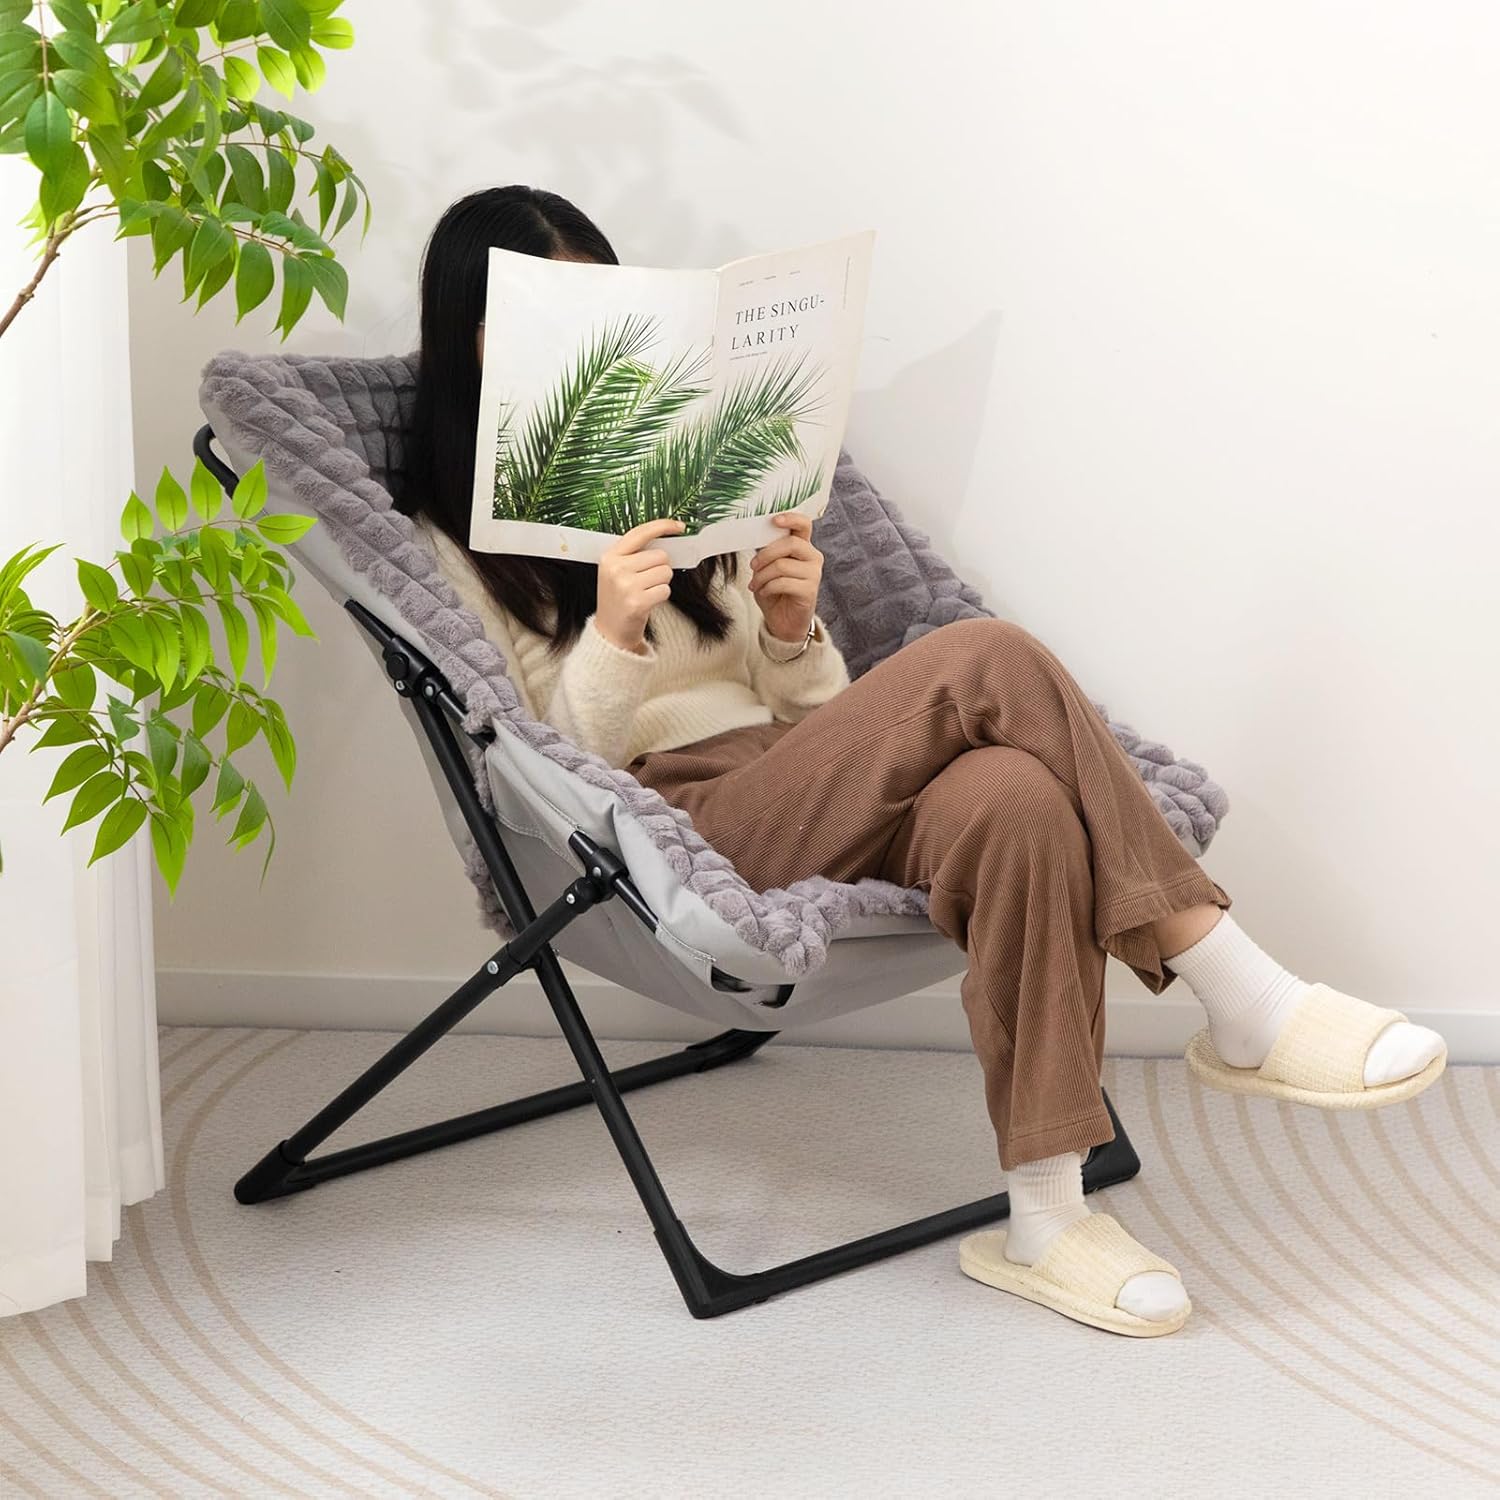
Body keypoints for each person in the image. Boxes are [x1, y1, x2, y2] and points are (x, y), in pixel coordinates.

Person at [396, 185, 1447, 1337]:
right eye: (544, 310)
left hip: (801, 776)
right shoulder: (444, 537)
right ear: (474, 338)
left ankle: (1044, 1217)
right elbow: (550, 768)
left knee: (1016, 800)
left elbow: (819, 712)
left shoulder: (683, 479)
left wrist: (792, 631)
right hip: (674, 828)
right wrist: (612, 634)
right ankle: (1239, 988)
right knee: (982, 655)